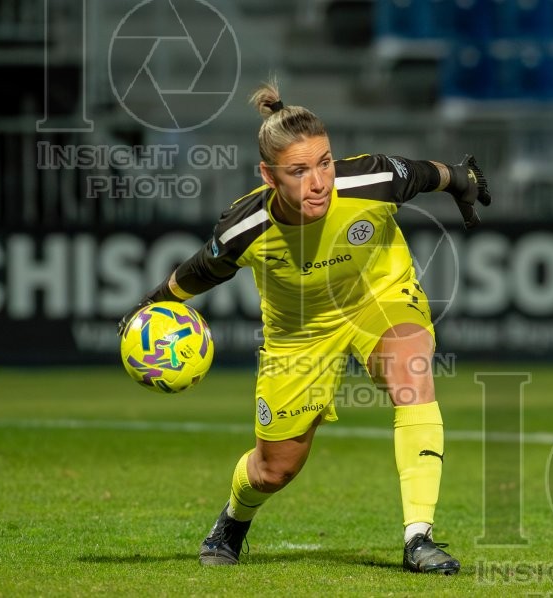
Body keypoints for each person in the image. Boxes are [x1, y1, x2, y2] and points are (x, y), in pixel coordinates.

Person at [118, 79, 491, 574]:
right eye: (299, 171)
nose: (319, 181)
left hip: (377, 296)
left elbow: (427, 174)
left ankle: (418, 538)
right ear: (269, 177)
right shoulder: (244, 227)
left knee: (412, 373)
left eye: (325, 162)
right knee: (275, 470)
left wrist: (461, 178)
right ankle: (233, 519)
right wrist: (144, 308)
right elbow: (196, 273)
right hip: (299, 333)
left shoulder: (371, 179)